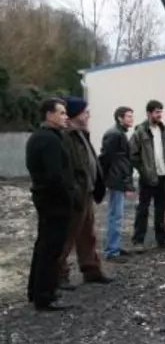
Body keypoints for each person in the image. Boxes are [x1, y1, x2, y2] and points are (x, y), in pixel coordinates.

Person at [57, 96, 112, 291]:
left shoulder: (81, 133)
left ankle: (91, 271)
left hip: (86, 192)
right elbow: (69, 168)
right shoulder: (65, 136)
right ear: (76, 114)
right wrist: (75, 190)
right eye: (85, 111)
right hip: (76, 194)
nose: (88, 115)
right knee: (67, 236)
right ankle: (59, 275)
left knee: (88, 235)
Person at [26, 98, 76, 311]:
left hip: (46, 198)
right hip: (53, 201)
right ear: (49, 114)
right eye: (62, 113)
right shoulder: (49, 140)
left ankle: (36, 290)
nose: (66, 117)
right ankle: (44, 296)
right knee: (51, 248)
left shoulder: (41, 137)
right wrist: (67, 197)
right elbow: (55, 175)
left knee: (43, 246)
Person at [130, 100, 165, 252]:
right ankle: (138, 241)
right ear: (149, 113)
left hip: (163, 176)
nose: (160, 115)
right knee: (143, 209)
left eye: (161, 112)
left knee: (161, 209)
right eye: (157, 112)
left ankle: (162, 240)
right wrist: (144, 171)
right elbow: (133, 154)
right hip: (147, 177)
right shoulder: (140, 131)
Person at [99, 106, 135, 262]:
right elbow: (107, 159)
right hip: (116, 181)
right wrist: (121, 182)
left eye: (131, 116)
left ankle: (115, 247)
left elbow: (121, 161)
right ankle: (111, 251)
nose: (131, 119)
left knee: (117, 215)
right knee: (115, 216)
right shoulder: (114, 134)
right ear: (120, 118)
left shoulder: (119, 133)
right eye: (128, 116)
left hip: (117, 179)